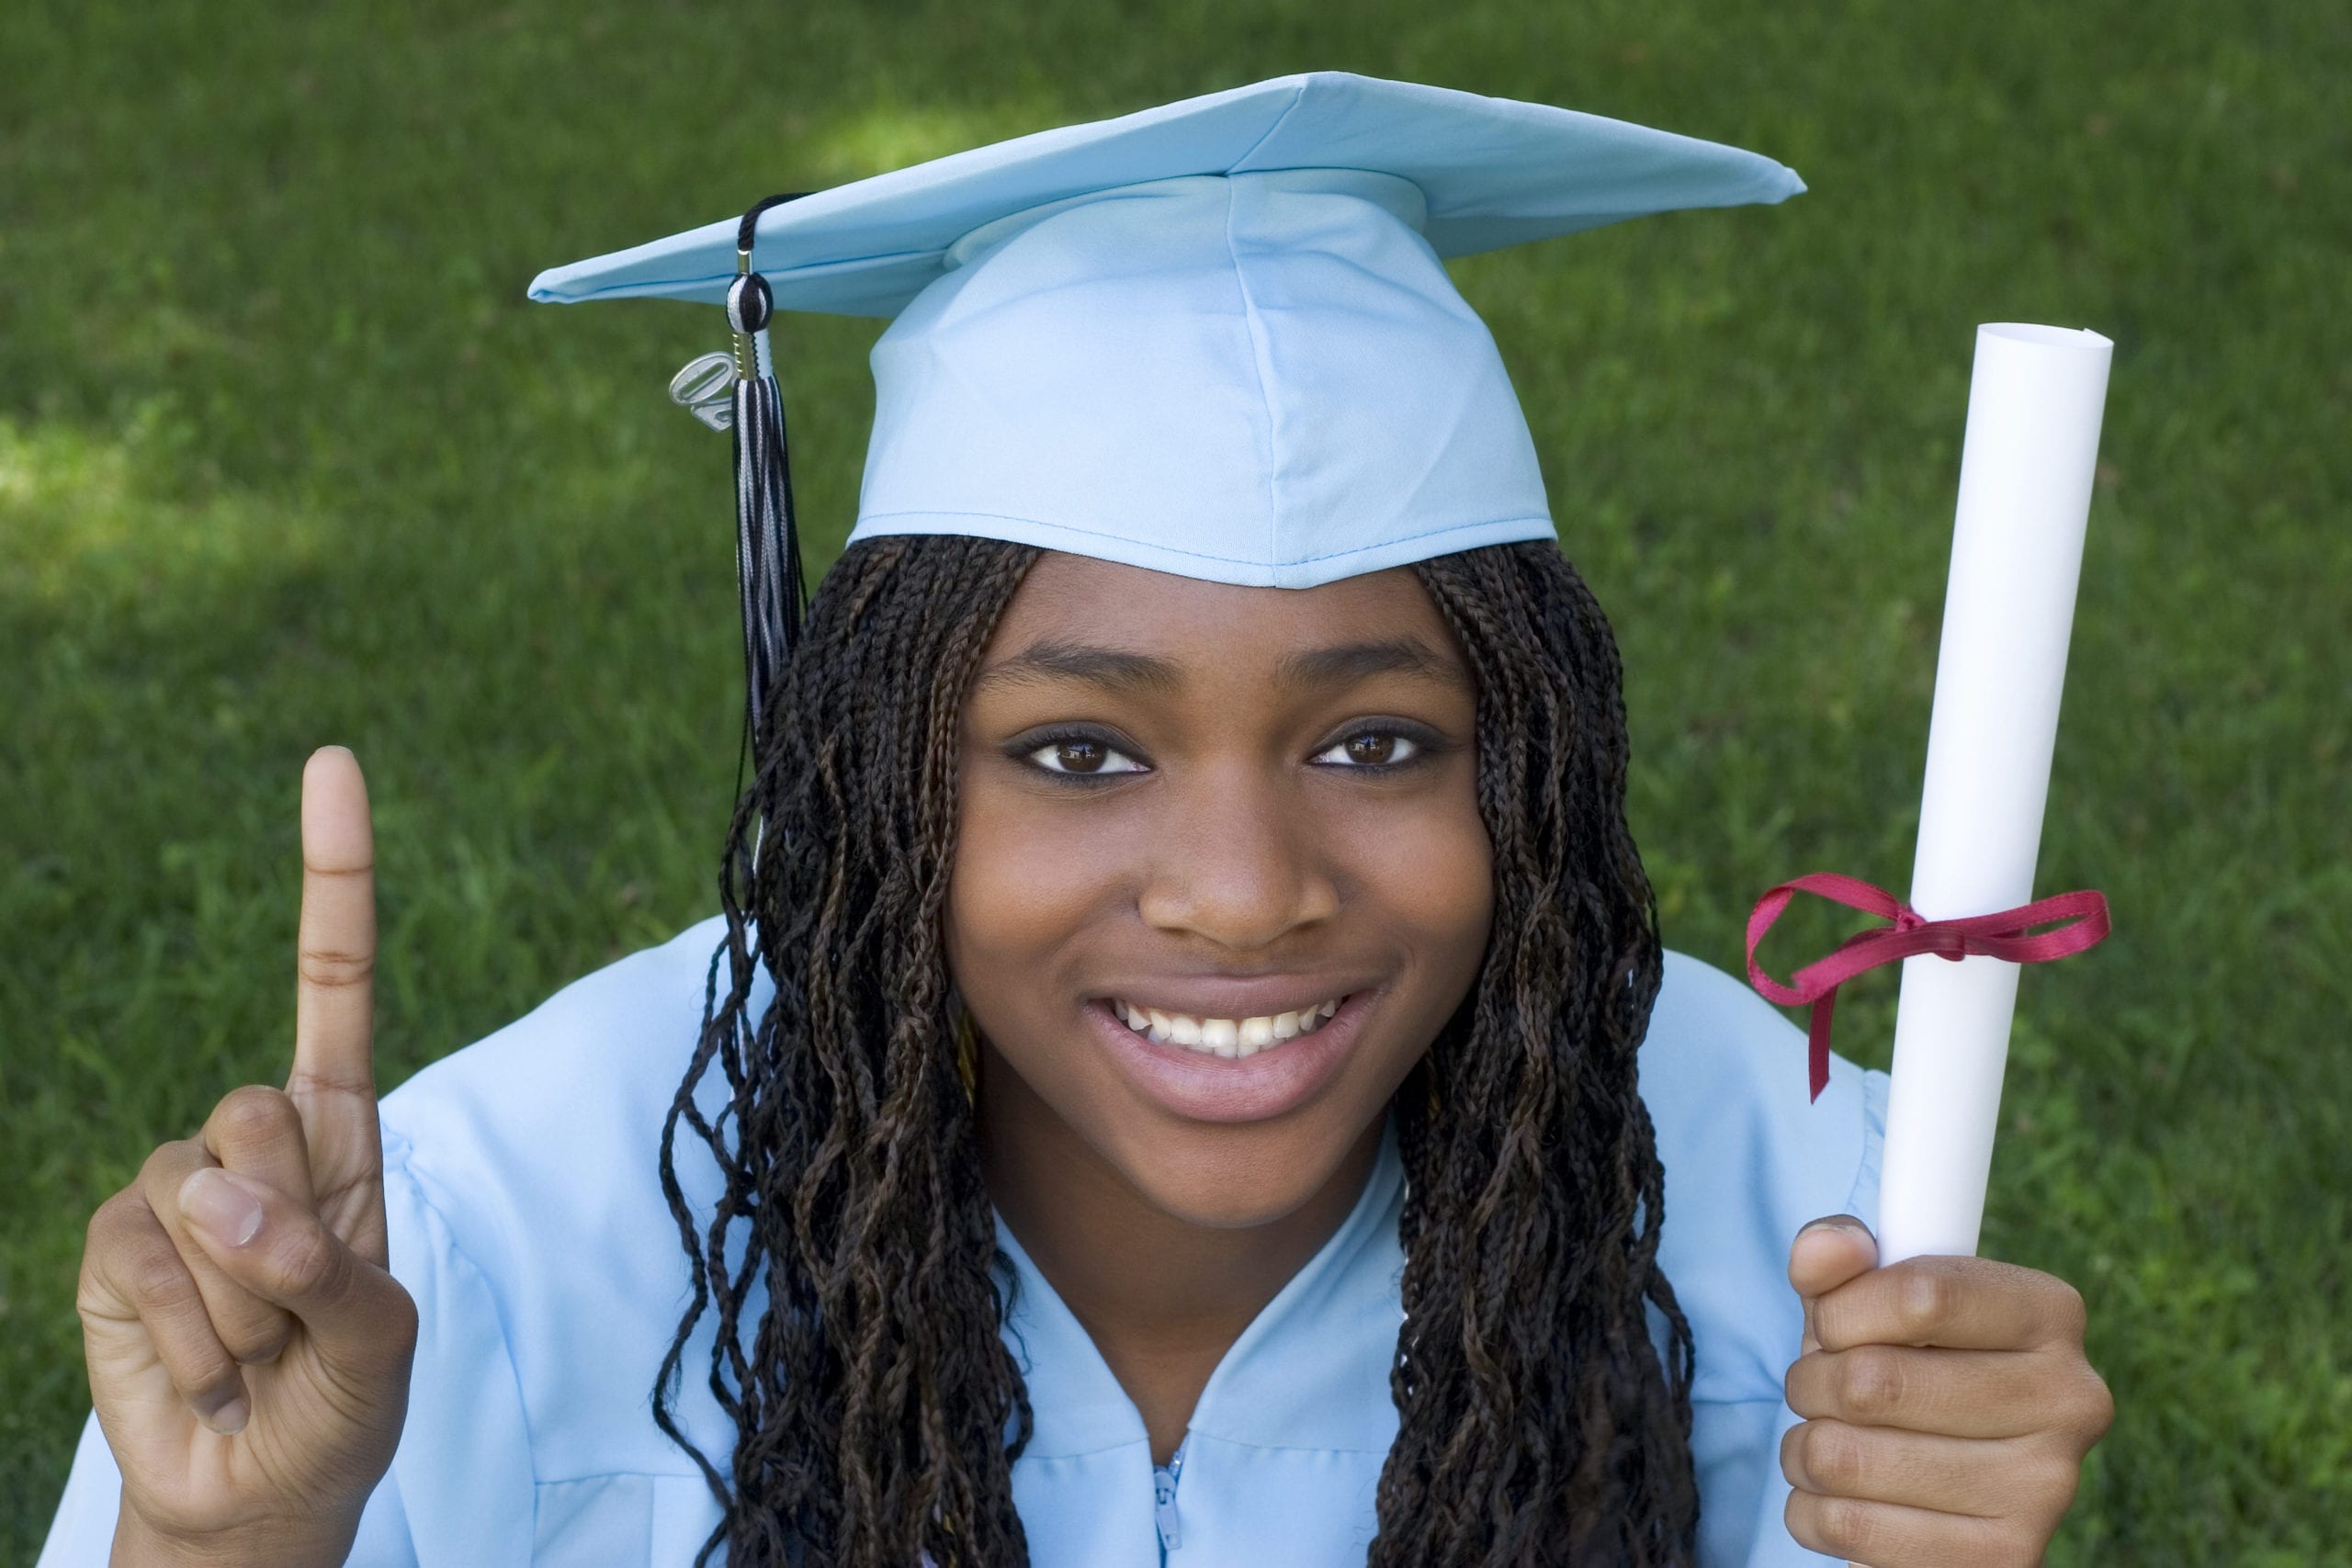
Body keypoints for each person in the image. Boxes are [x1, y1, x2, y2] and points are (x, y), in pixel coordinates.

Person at [40, 73, 2111, 1568]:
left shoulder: (1803, 1212)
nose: (1238, 892)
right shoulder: (492, 1240)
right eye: (1076, 751)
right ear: (875, 787)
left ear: (1530, 773)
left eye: (1377, 742)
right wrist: (231, 1550)